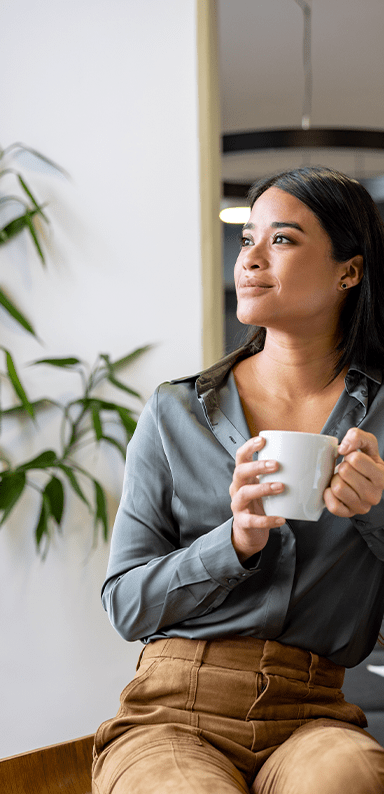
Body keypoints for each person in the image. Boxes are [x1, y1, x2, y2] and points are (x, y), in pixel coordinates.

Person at [92, 166, 384, 794]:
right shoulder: (176, 412)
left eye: (281, 239)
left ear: (349, 272)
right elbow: (125, 603)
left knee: (344, 777)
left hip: (315, 715)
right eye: (247, 238)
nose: (248, 259)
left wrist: (375, 513)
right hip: (171, 712)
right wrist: (236, 541)